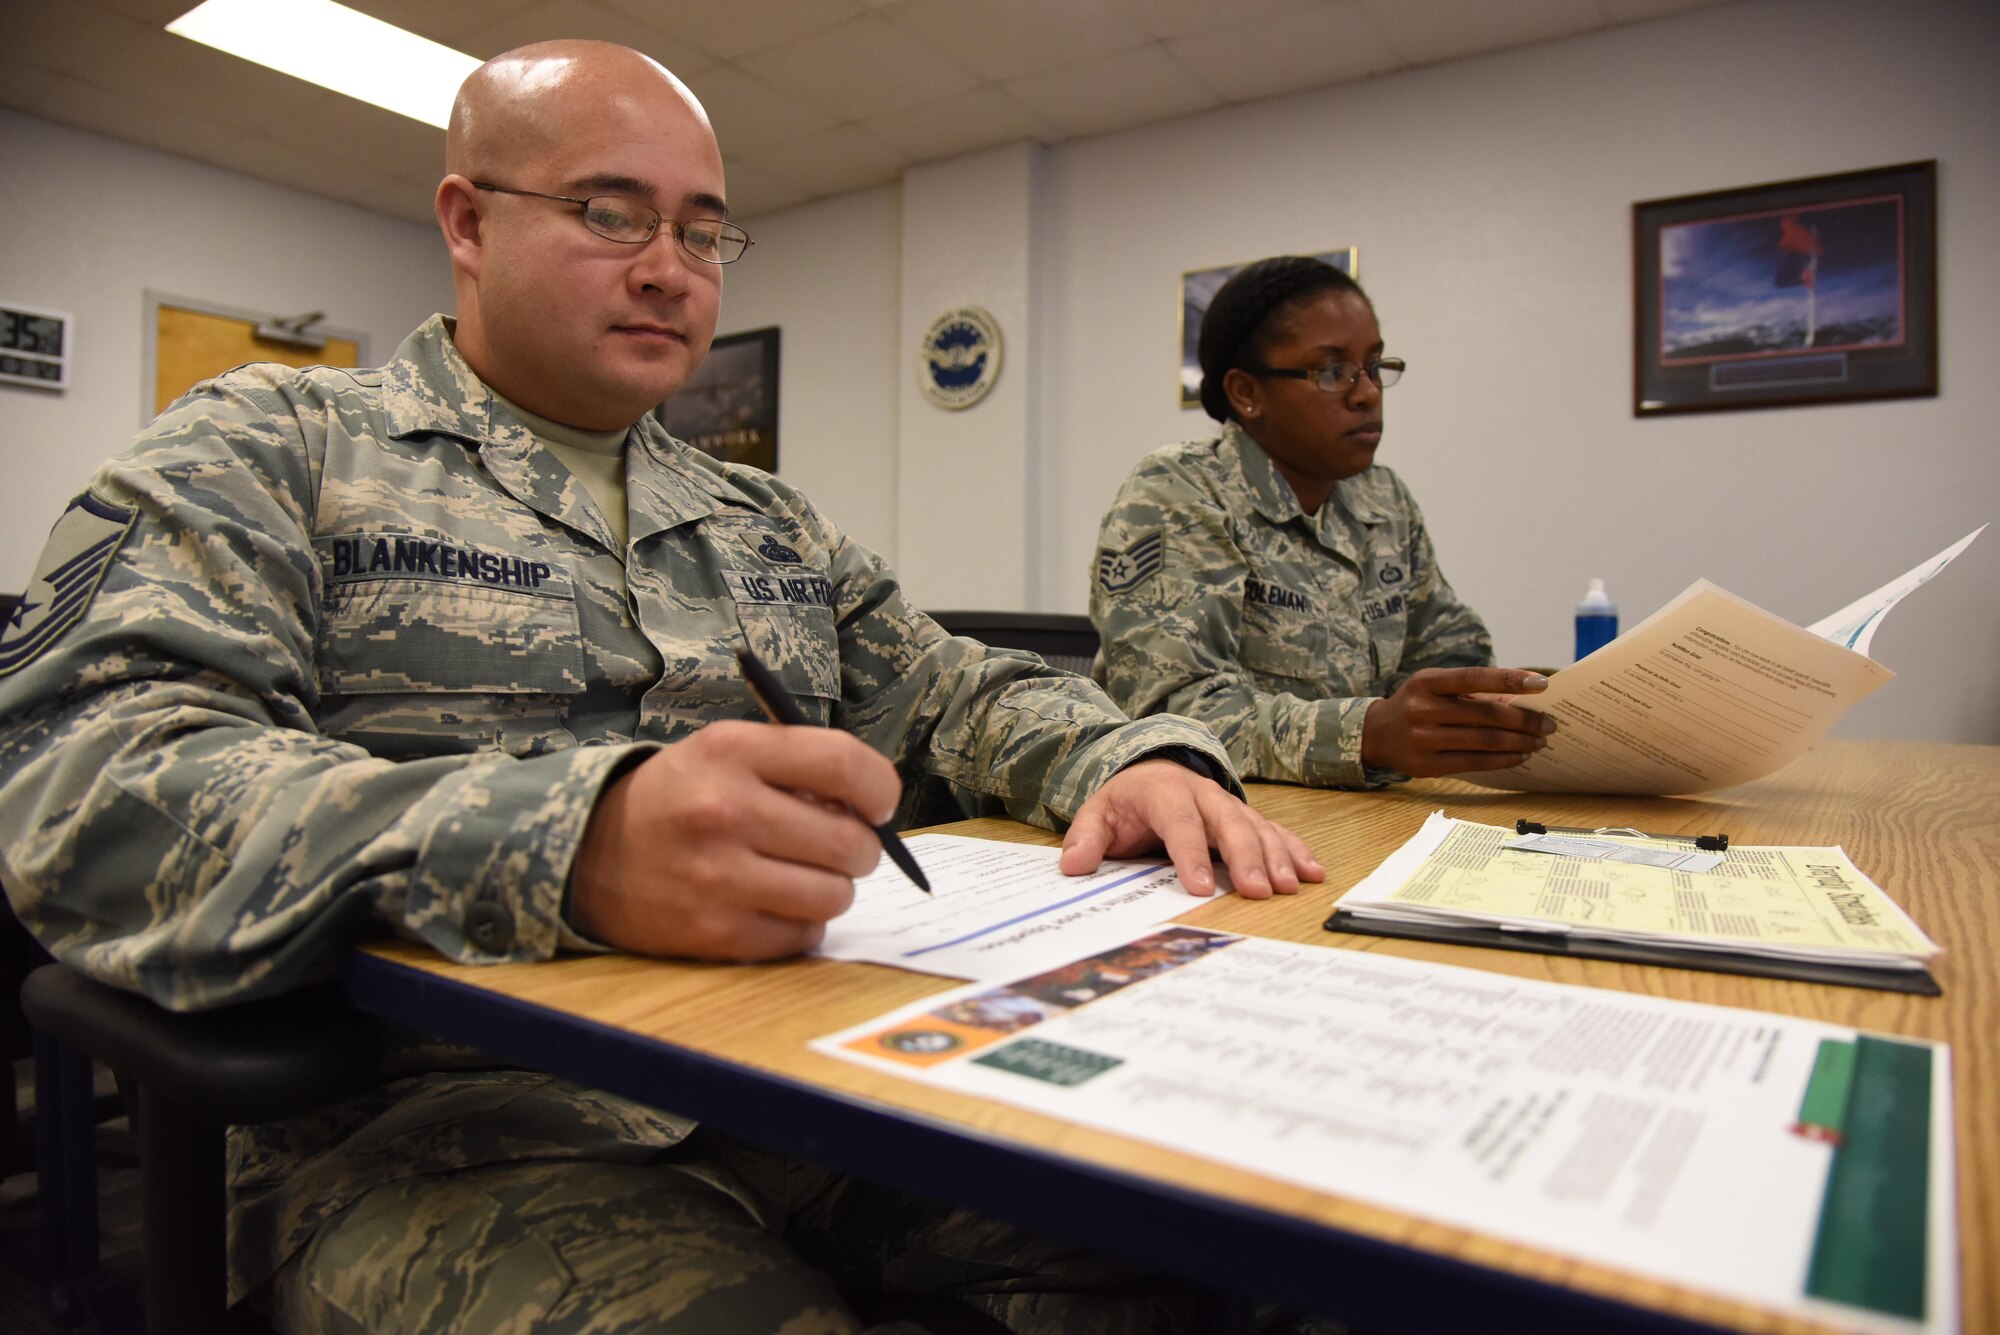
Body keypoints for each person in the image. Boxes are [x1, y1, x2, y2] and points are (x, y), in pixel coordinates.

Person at [0, 43, 1329, 1335]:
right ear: (468, 222)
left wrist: (1126, 757)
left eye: (703, 233)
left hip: (799, 1073)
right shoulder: (270, 449)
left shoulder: (764, 518)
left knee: (1228, 1250)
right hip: (445, 1138)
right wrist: (565, 841)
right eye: (610, 212)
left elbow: (953, 689)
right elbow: (83, 784)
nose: (668, 268)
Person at [1090, 255, 1554, 788]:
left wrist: (1462, 703)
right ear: (1247, 393)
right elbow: (1170, 716)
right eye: (1333, 372)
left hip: (1370, 807)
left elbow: (1447, 643)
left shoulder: (1382, 497)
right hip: (1216, 812)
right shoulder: (1180, 491)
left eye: (1375, 366)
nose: (1367, 393)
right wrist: (1369, 733)